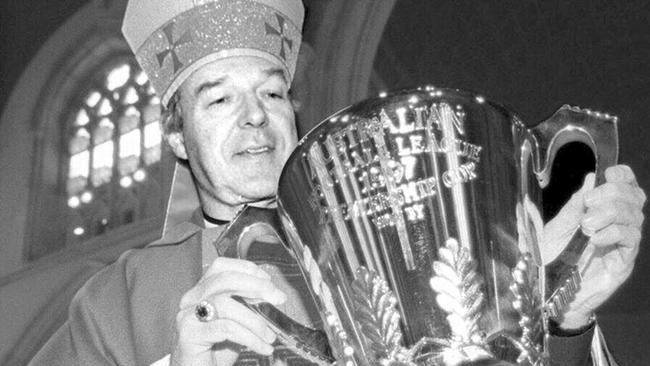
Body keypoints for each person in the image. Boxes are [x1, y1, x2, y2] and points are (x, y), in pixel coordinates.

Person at [29, 0, 646, 365]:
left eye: (272, 92)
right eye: (218, 100)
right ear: (175, 139)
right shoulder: (117, 301)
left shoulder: (406, 239)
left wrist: (566, 324)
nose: (254, 116)